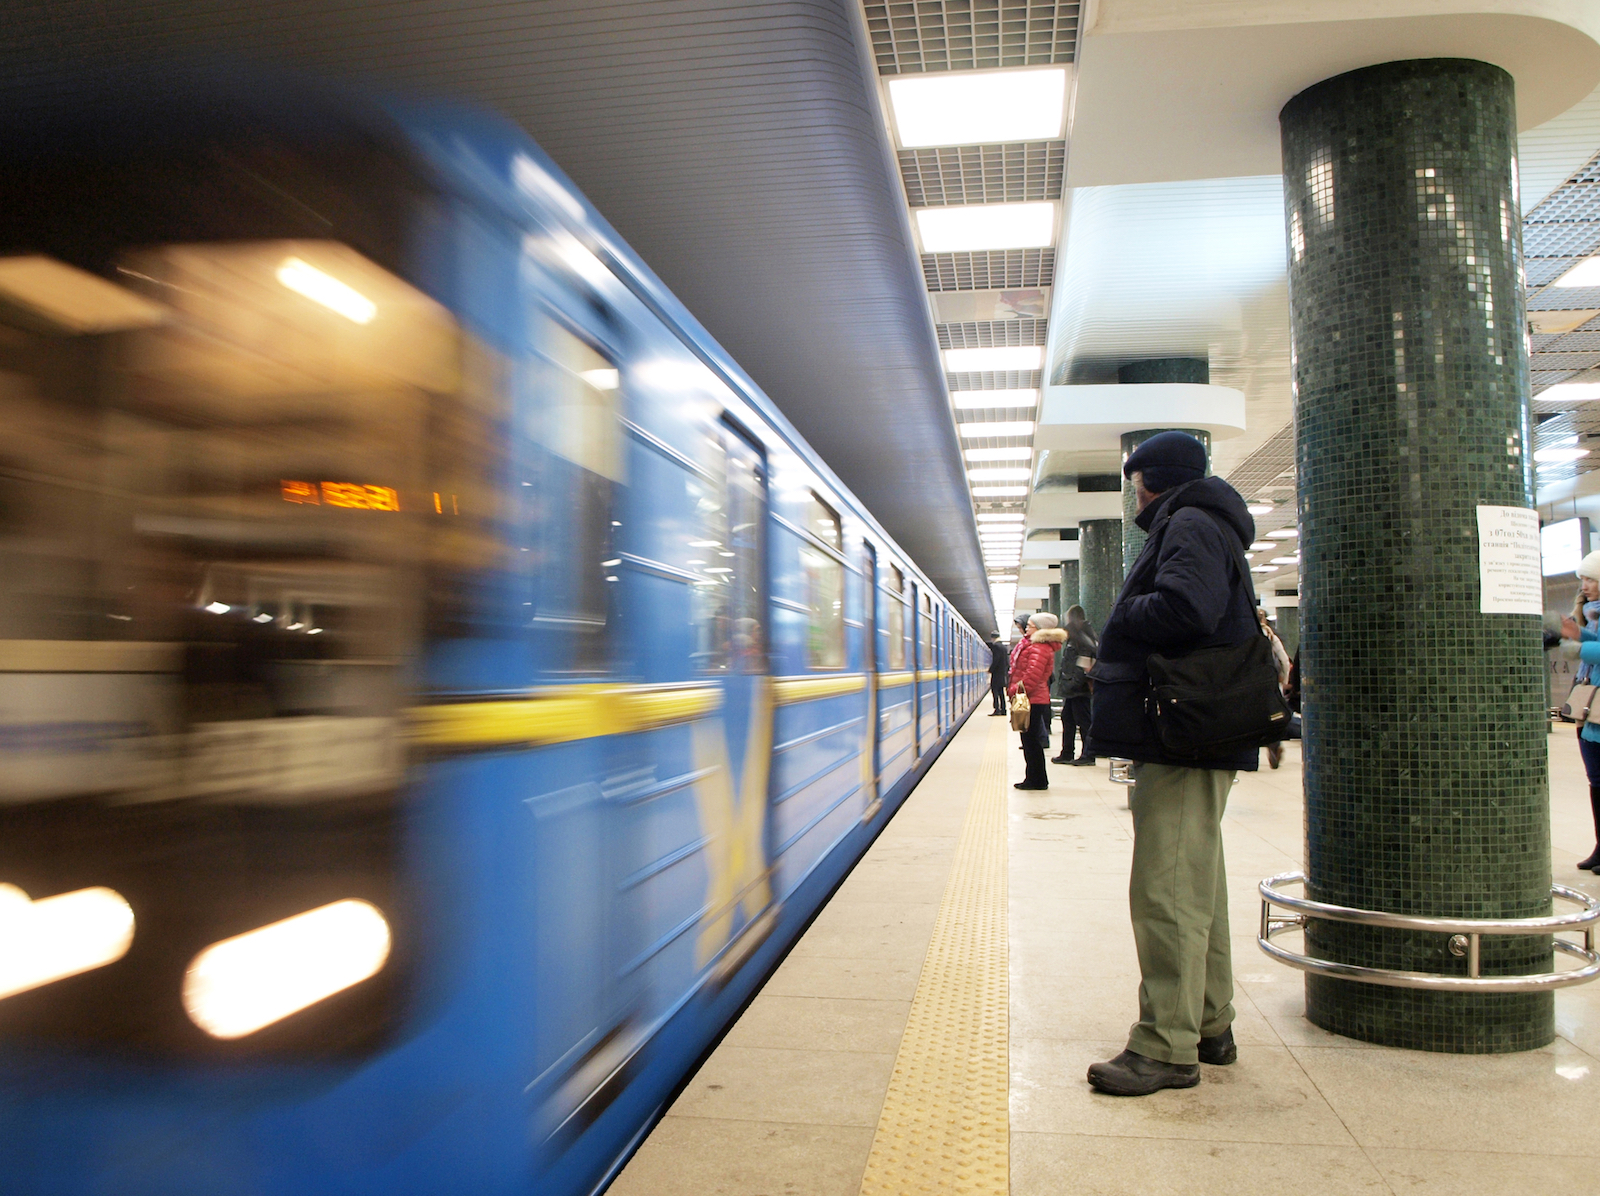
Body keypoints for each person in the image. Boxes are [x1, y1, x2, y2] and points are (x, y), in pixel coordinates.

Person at [1084, 430, 1260, 1097]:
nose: (1133, 496)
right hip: (1193, 732)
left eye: (1133, 483)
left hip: (1180, 735)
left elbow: (1187, 608)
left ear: (1148, 480)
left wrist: (1122, 613)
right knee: (1198, 885)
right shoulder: (1208, 522)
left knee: (1166, 891)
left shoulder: (1187, 523)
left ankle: (1165, 1046)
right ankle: (1210, 1023)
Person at [1557, 551, 1600, 873]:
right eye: (1583, 579)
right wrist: (1577, 632)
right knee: (1596, 780)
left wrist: (1577, 647)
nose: (1584, 586)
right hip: (1590, 710)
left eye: (1591, 579)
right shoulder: (1592, 614)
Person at [1008, 611, 1066, 790]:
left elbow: (1032, 676)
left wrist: (1014, 690)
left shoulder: (1039, 648)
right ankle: (1034, 777)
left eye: (1030, 626)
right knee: (1029, 741)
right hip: (1031, 698)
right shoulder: (1035, 645)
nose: (1027, 628)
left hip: (1032, 698)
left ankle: (1037, 780)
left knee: (1031, 742)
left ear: (1040, 629)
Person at [1051, 605, 1098, 766]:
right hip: (1072, 688)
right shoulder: (1077, 636)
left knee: (1083, 721)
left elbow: (1084, 663)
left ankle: (1088, 755)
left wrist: (1074, 683)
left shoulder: (1082, 638)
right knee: (1068, 719)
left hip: (1079, 689)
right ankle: (1067, 752)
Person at [1256, 607, 1292, 769]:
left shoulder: (1249, 636)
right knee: (1273, 714)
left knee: (1252, 715)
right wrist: (1284, 680)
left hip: (1253, 682)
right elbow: (1284, 659)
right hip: (1271, 681)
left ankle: (1252, 750)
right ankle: (1274, 744)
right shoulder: (1271, 635)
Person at [987, 631, 1009, 715]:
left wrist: (991, 670)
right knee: (1001, 692)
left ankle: (997, 709)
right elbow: (1006, 661)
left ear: (993, 638)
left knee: (995, 691)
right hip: (1002, 673)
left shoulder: (996, 646)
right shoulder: (1003, 647)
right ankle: (1003, 710)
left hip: (996, 674)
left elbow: (996, 660)